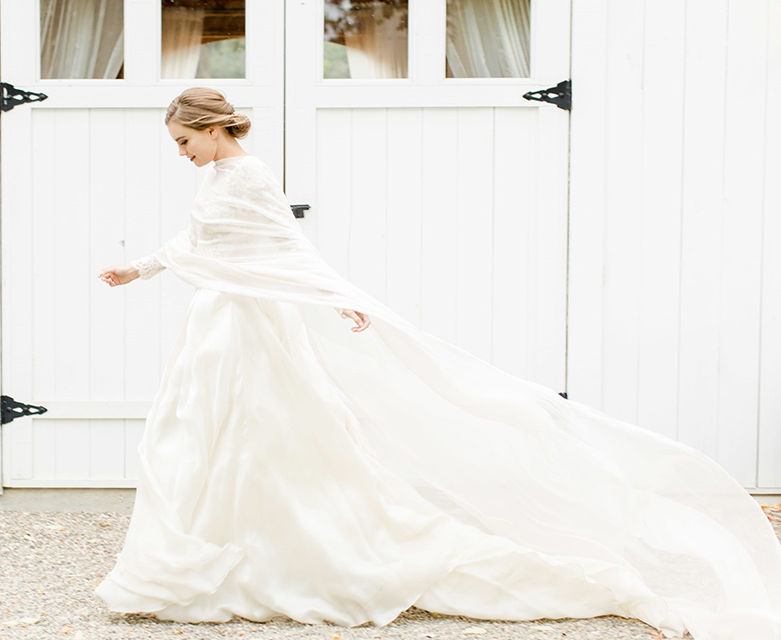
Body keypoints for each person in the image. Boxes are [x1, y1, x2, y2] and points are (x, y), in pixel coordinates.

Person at [95, 88, 781, 640]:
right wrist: (139, 269)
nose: (180, 154)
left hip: (250, 324)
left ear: (213, 129)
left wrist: (343, 299)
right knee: (205, 438)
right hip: (222, 321)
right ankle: (219, 548)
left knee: (267, 437)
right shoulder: (220, 177)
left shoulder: (247, 178)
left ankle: (272, 557)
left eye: (183, 141)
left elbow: (286, 249)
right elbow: (199, 239)